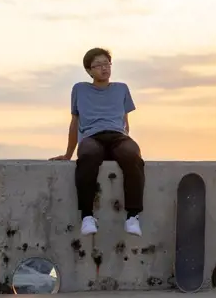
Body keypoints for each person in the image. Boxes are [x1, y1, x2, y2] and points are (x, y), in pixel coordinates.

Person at [50, 48, 145, 237]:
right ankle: (87, 216)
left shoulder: (121, 88)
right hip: (92, 136)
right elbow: (75, 121)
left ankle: (133, 216)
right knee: (87, 156)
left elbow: (125, 121)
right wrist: (69, 154)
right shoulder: (80, 89)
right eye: (99, 65)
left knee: (132, 154)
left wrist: (125, 137)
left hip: (118, 136)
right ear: (89, 70)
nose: (104, 68)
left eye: (107, 64)